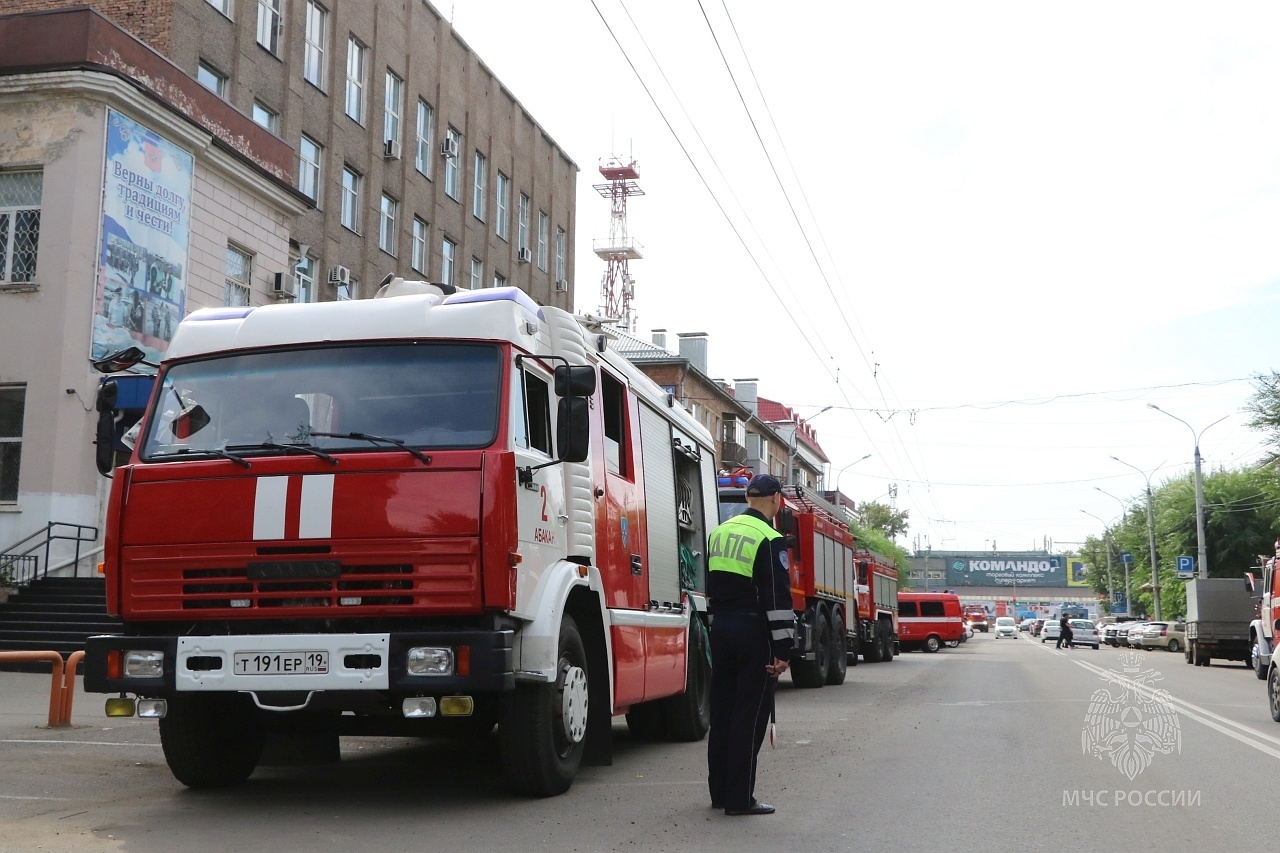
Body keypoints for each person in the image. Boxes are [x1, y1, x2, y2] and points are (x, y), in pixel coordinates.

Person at [705, 473, 795, 817]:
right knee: (749, 716)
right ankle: (740, 799)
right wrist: (783, 650)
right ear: (775, 500)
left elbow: (710, 586)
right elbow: (776, 597)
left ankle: (719, 793)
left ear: (747, 497)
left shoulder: (720, 533)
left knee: (724, 714)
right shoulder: (769, 538)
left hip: (722, 628)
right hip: (752, 631)